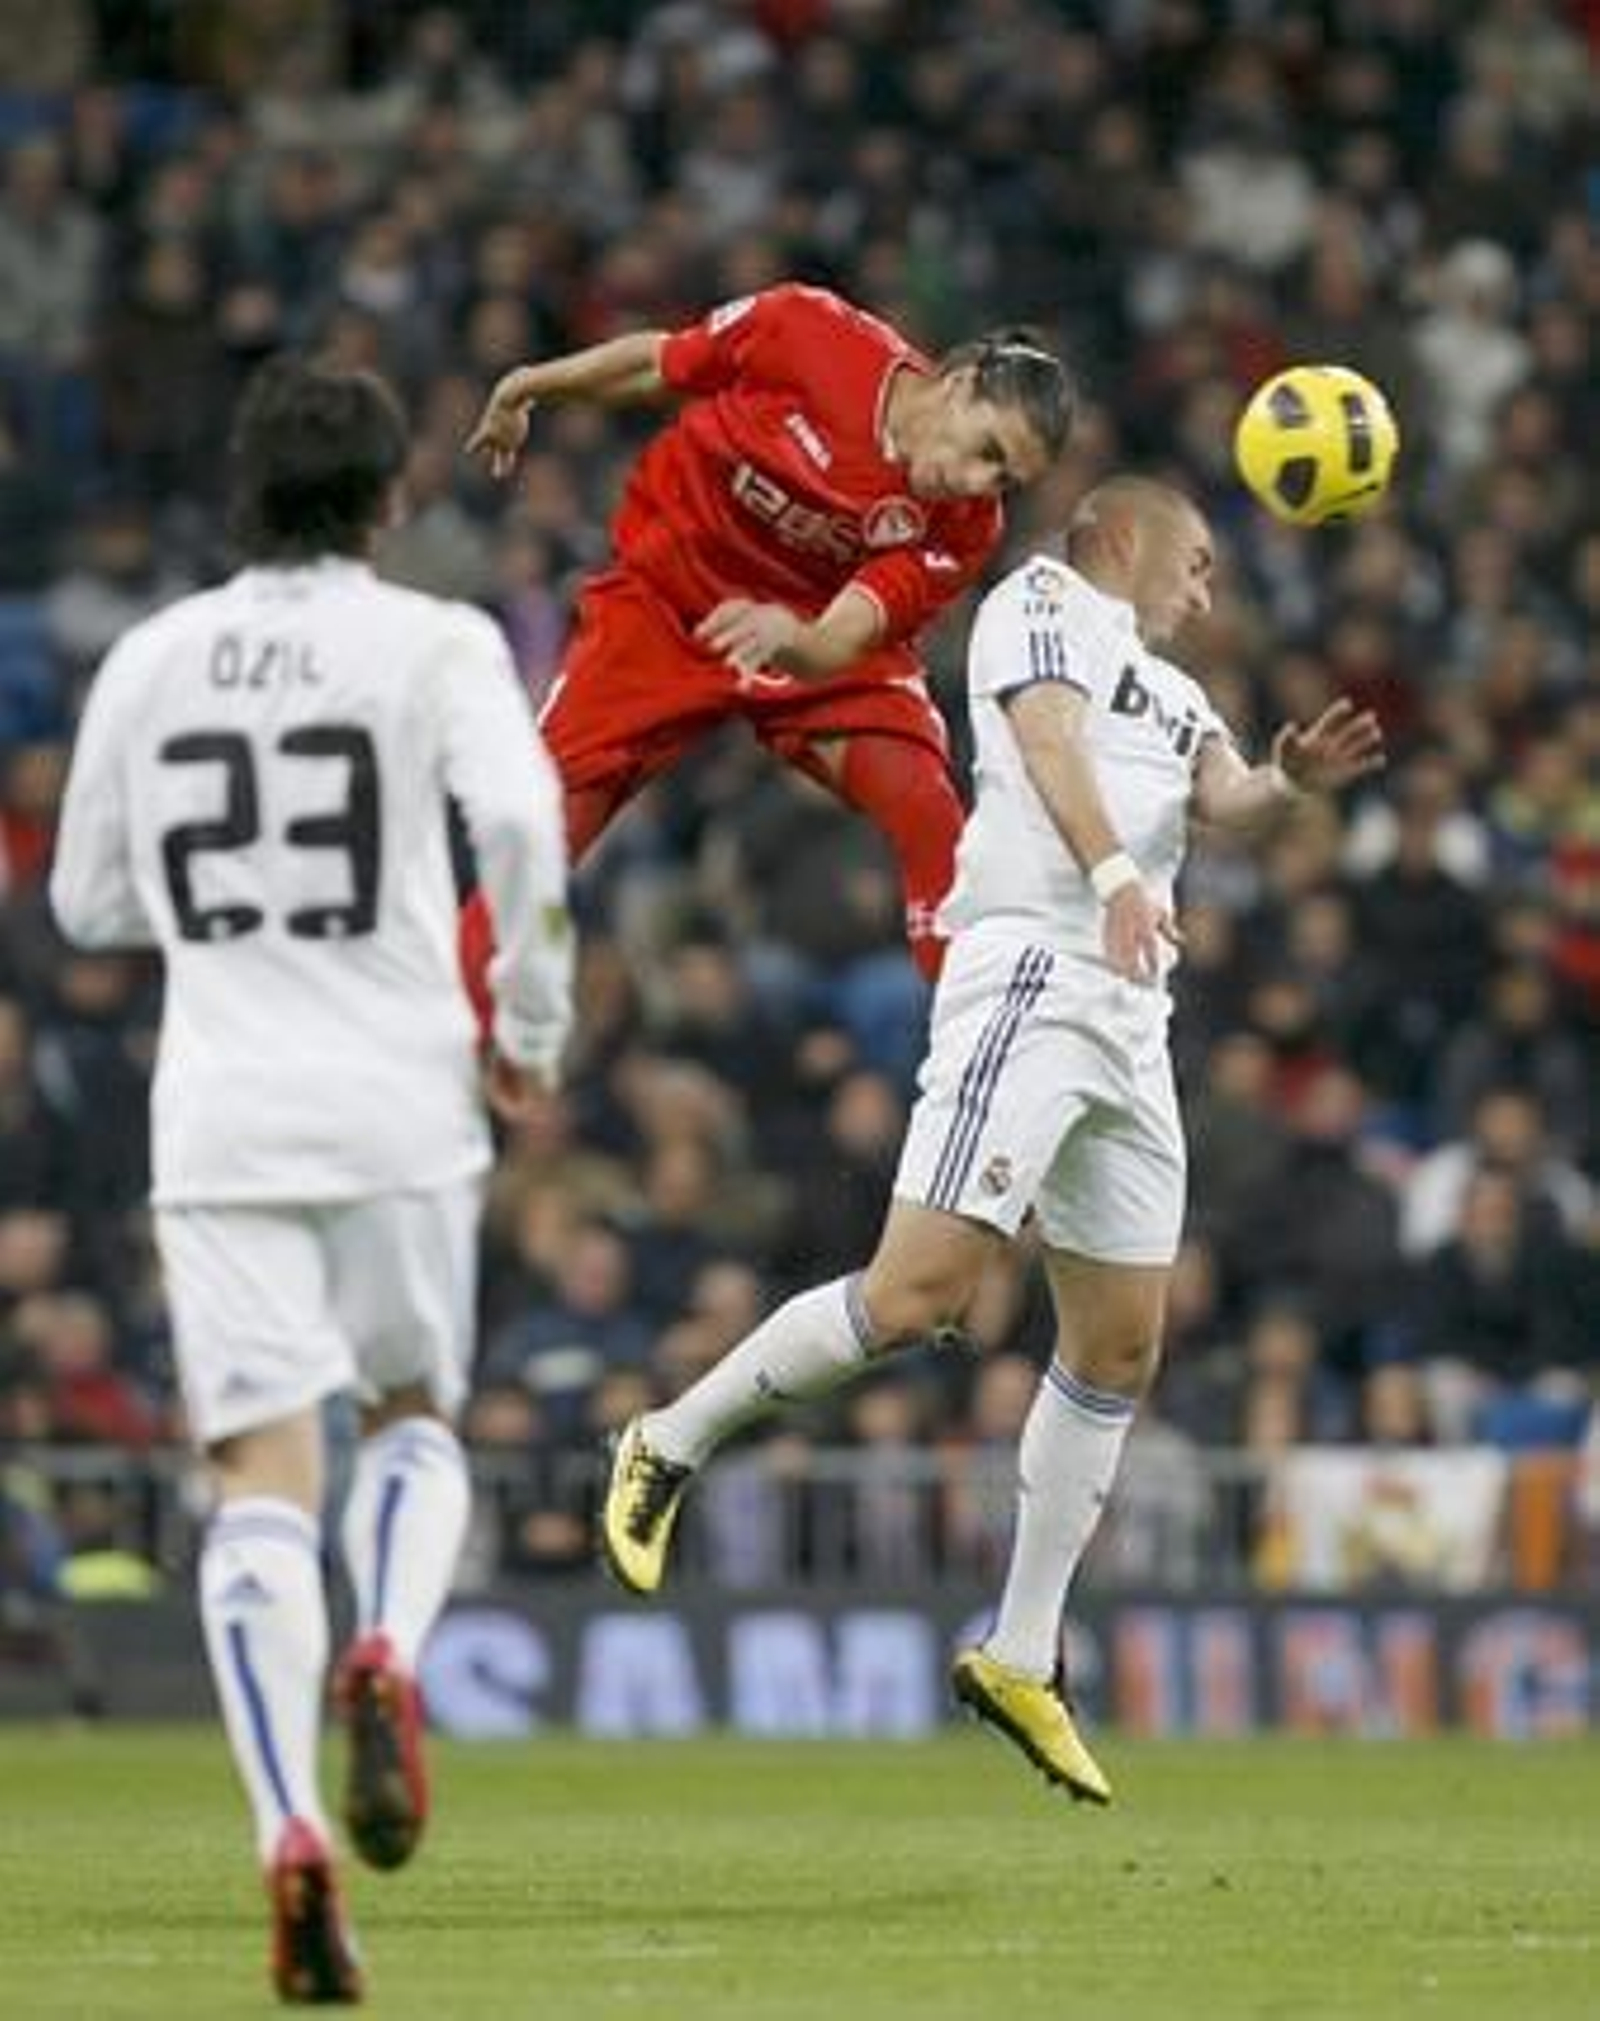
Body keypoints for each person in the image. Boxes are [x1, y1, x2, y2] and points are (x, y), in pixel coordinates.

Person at [600, 476, 1382, 1803]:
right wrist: (1119, 880)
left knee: (1121, 1342)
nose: (1209, 590)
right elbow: (1050, 744)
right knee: (918, 1299)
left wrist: (1288, 785)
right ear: (1124, 539)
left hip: (1133, 1016)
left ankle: (1022, 1650)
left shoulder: (1181, 694)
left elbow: (1226, 798)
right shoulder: (1041, 602)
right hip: (1033, 968)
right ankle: (667, 1437)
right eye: (1196, 562)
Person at [50, 356, 574, 2004]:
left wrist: (233, 918)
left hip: (221, 1118)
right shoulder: (436, 645)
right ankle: (388, 1647)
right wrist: (531, 1026)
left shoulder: (149, 660)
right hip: (404, 1095)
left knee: (256, 1480)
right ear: (390, 497)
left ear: (240, 488)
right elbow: (527, 829)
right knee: (414, 1411)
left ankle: (288, 1829)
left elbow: (86, 904)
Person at [463, 281, 1074, 984]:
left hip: (810, 635)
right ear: (959, 385)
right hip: (669, 602)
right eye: (986, 448)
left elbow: (842, 639)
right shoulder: (809, 332)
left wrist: (791, 635)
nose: (977, 482)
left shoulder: (968, 527)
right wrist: (527, 386)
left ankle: (977, 1052)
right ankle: (445, 1033)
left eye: (1004, 478)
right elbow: (659, 364)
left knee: (926, 808)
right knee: (542, 828)